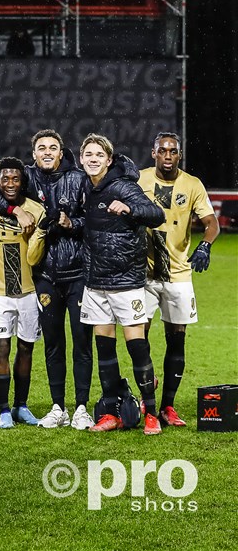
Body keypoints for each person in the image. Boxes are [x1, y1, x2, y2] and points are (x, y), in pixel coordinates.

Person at [0, 129, 94, 430]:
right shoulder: (26, 178)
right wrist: (15, 208)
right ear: (33, 154)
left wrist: (72, 223)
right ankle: (58, 407)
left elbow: (93, 218)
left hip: (77, 272)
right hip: (43, 274)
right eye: (41, 147)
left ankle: (82, 406)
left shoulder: (78, 178)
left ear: (61, 152)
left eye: (53, 147)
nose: (47, 152)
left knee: (82, 341)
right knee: (53, 343)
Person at [77, 134, 165, 435]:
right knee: (105, 350)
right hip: (96, 281)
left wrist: (129, 209)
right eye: (88, 154)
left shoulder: (124, 186)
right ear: (80, 158)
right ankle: (111, 413)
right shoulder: (86, 187)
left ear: (109, 159)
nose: (92, 159)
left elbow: (156, 214)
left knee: (137, 347)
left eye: (98, 155)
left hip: (126, 281)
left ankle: (151, 413)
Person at [139, 132, 219, 427]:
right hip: (144, 273)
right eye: (163, 151)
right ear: (154, 153)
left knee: (177, 339)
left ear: (179, 155)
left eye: (173, 151)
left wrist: (206, 244)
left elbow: (211, 222)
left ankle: (167, 407)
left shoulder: (192, 184)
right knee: (139, 339)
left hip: (177, 273)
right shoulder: (139, 179)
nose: (168, 156)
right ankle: (145, 396)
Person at [0, 158, 47, 428]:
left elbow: (34, 258)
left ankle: (21, 405)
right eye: (5, 179)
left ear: (23, 182)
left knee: (26, 347)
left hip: (28, 291)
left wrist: (38, 235)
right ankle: (4, 409)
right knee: (2, 346)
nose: (10, 184)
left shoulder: (35, 210)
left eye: (15, 179)